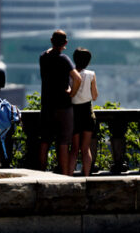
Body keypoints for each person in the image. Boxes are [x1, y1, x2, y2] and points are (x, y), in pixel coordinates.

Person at [38, 30, 82, 175]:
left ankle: (41, 173)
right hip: (63, 105)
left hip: (47, 105)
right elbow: (77, 78)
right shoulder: (64, 59)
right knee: (63, 141)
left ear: (51, 40)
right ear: (65, 43)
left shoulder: (43, 57)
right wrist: (72, 92)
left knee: (44, 141)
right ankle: (64, 175)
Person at [67, 48, 98, 176]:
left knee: (74, 149)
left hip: (74, 113)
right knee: (85, 149)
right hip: (87, 112)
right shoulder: (91, 74)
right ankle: (86, 176)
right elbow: (95, 96)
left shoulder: (70, 74)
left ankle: (69, 176)